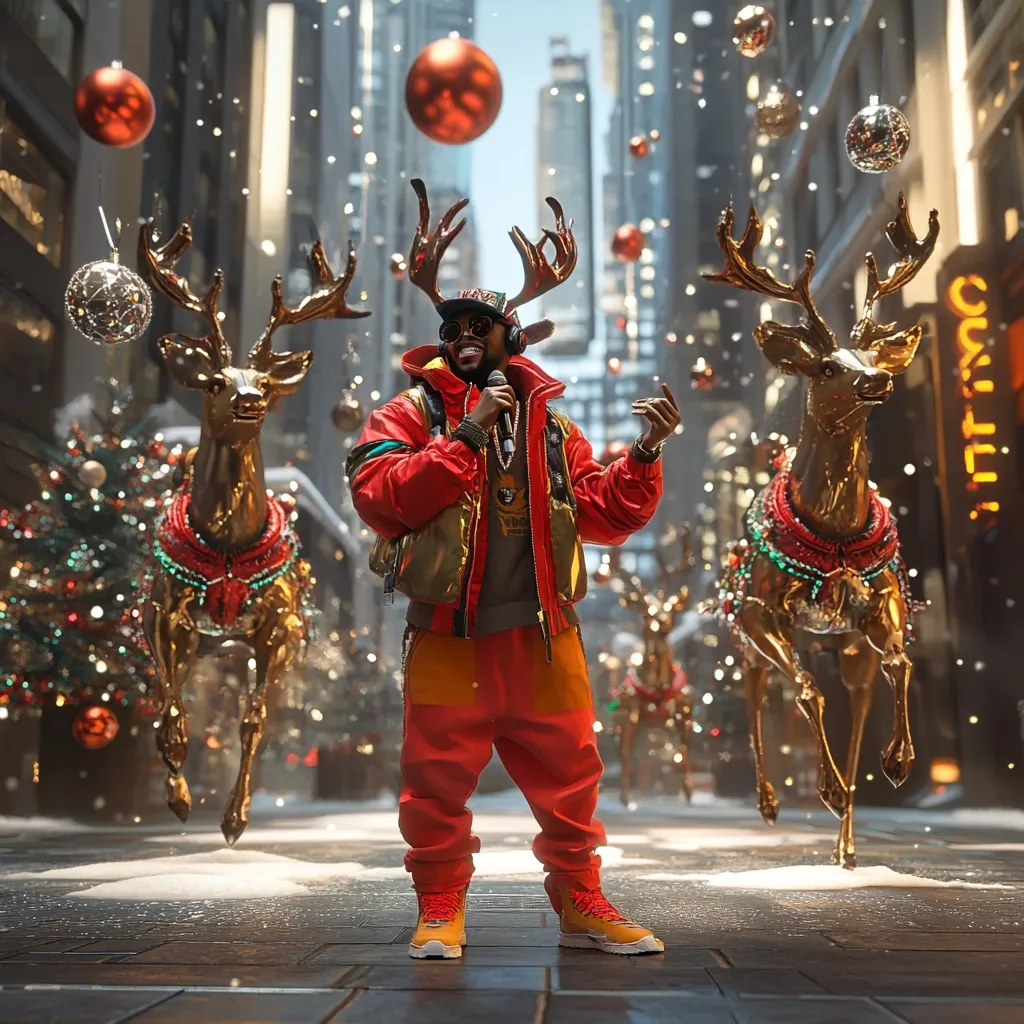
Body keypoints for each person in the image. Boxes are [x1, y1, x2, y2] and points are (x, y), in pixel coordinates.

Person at [347, 180, 680, 959]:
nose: (466, 336)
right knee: (434, 779)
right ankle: (438, 906)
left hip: (543, 633)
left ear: (513, 339)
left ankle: (580, 898)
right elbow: (382, 497)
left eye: (482, 326)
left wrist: (646, 456)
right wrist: (464, 436)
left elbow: (604, 511)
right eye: (455, 326)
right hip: (447, 635)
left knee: (573, 778)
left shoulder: (555, 429)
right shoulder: (407, 414)